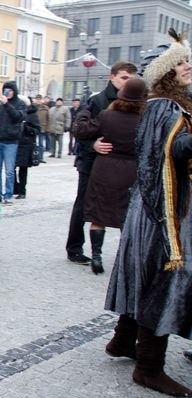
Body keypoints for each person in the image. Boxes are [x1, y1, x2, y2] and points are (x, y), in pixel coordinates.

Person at [103, 29, 192, 398]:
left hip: (155, 205)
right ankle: (149, 367)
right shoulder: (162, 107)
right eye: (180, 63)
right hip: (163, 210)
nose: (188, 66)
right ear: (164, 73)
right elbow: (172, 152)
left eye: (188, 60)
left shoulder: (175, 105)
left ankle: (123, 341)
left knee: (142, 273)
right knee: (163, 277)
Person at [66, 61, 137, 265]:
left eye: (132, 79)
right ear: (112, 77)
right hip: (92, 162)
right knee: (83, 204)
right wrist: (92, 145)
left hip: (122, 165)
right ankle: (74, 248)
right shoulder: (98, 100)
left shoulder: (138, 102)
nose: (128, 82)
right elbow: (79, 129)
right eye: (124, 77)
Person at [75, 78, 146, 275]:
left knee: (99, 215)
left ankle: (96, 256)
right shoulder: (145, 119)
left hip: (104, 168)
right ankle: (125, 260)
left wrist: (83, 113)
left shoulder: (107, 115)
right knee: (127, 217)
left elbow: (81, 130)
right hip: (132, 171)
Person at [0, 81, 26, 205]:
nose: (7, 92)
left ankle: (8, 195)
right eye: (5, 90)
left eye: (10, 90)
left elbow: (17, 117)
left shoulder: (20, 104)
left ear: (14, 91)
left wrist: (7, 104)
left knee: (9, 171)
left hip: (11, 142)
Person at [14, 96, 41, 199]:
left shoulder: (32, 114)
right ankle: (15, 188)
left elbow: (37, 130)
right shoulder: (16, 112)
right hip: (15, 142)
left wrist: (26, 127)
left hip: (26, 144)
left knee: (23, 169)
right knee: (11, 168)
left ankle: (22, 191)